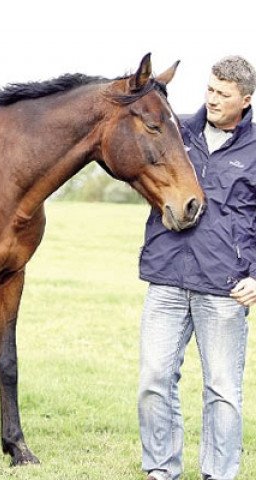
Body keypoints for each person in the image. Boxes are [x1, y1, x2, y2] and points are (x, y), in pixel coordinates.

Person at [138, 55, 256, 480]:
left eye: (223, 94)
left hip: (225, 286)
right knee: (154, 379)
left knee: (222, 390)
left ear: (245, 100)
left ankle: (218, 475)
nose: (212, 99)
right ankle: (160, 470)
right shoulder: (178, 132)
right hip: (167, 276)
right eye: (209, 89)